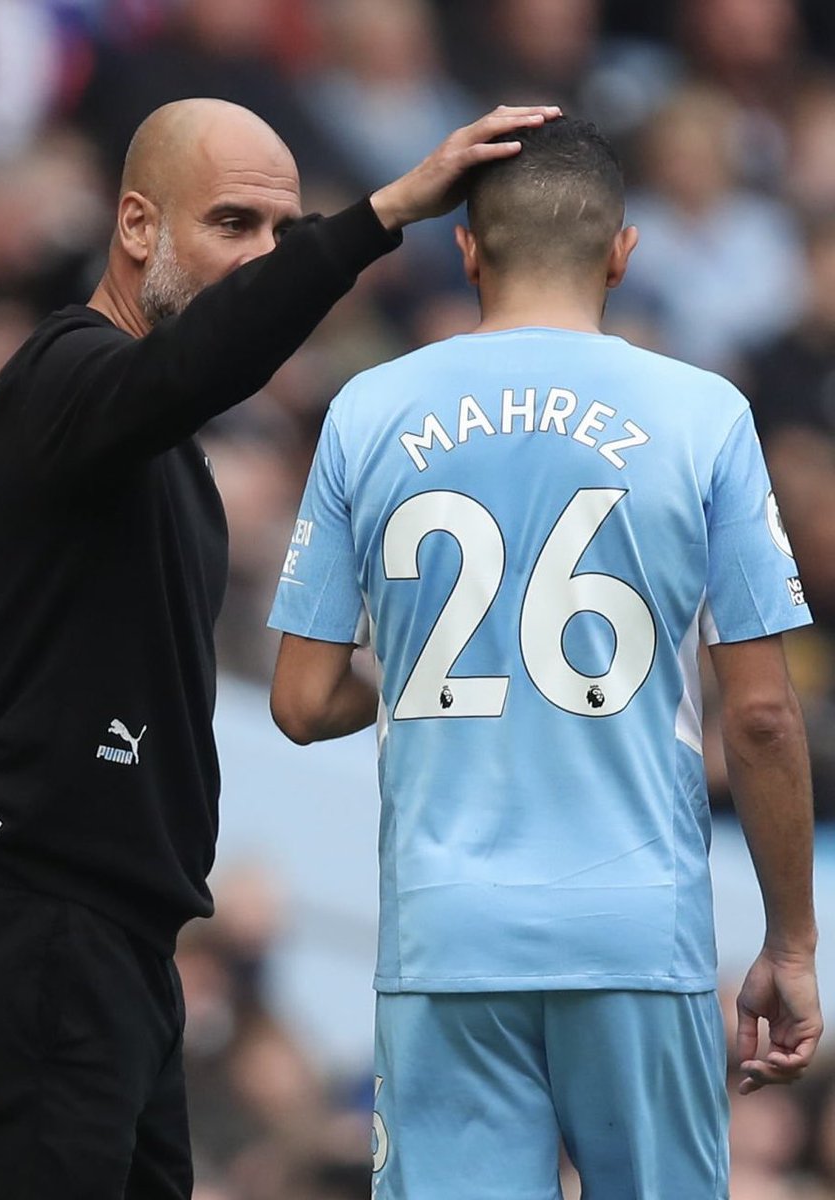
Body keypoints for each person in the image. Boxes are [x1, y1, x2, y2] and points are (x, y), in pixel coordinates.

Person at [0, 96, 562, 1200]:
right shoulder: (64, 375)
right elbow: (202, 364)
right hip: (39, 926)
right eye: (234, 224)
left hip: (117, 944)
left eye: (280, 235)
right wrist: (383, 212)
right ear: (137, 225)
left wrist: (428, 671)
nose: (261, 258)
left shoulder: (160, 455)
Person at [268, 117, 823, 1198]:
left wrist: (439, 673)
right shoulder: (705, 416)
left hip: (444, 932)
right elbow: (760, 718)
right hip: (634, 928)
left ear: (468, 251)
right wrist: (791, 944)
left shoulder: (366, 409)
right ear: (622, 253)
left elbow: (299, 698)